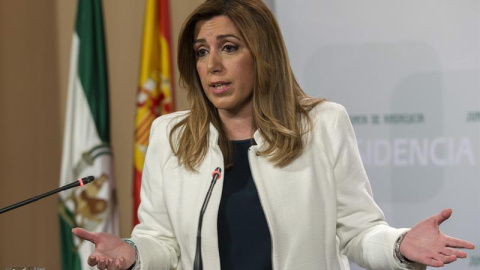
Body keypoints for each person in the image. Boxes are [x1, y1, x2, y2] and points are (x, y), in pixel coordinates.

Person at [72, 0, 475, 269]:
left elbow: (359, 230)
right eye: (200, 51)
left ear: (262, 55)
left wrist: (400, 245)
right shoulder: (170, 136)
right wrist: (134, 253)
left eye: (228, 47)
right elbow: (162, 240)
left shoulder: (322, 125)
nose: (211, 64)